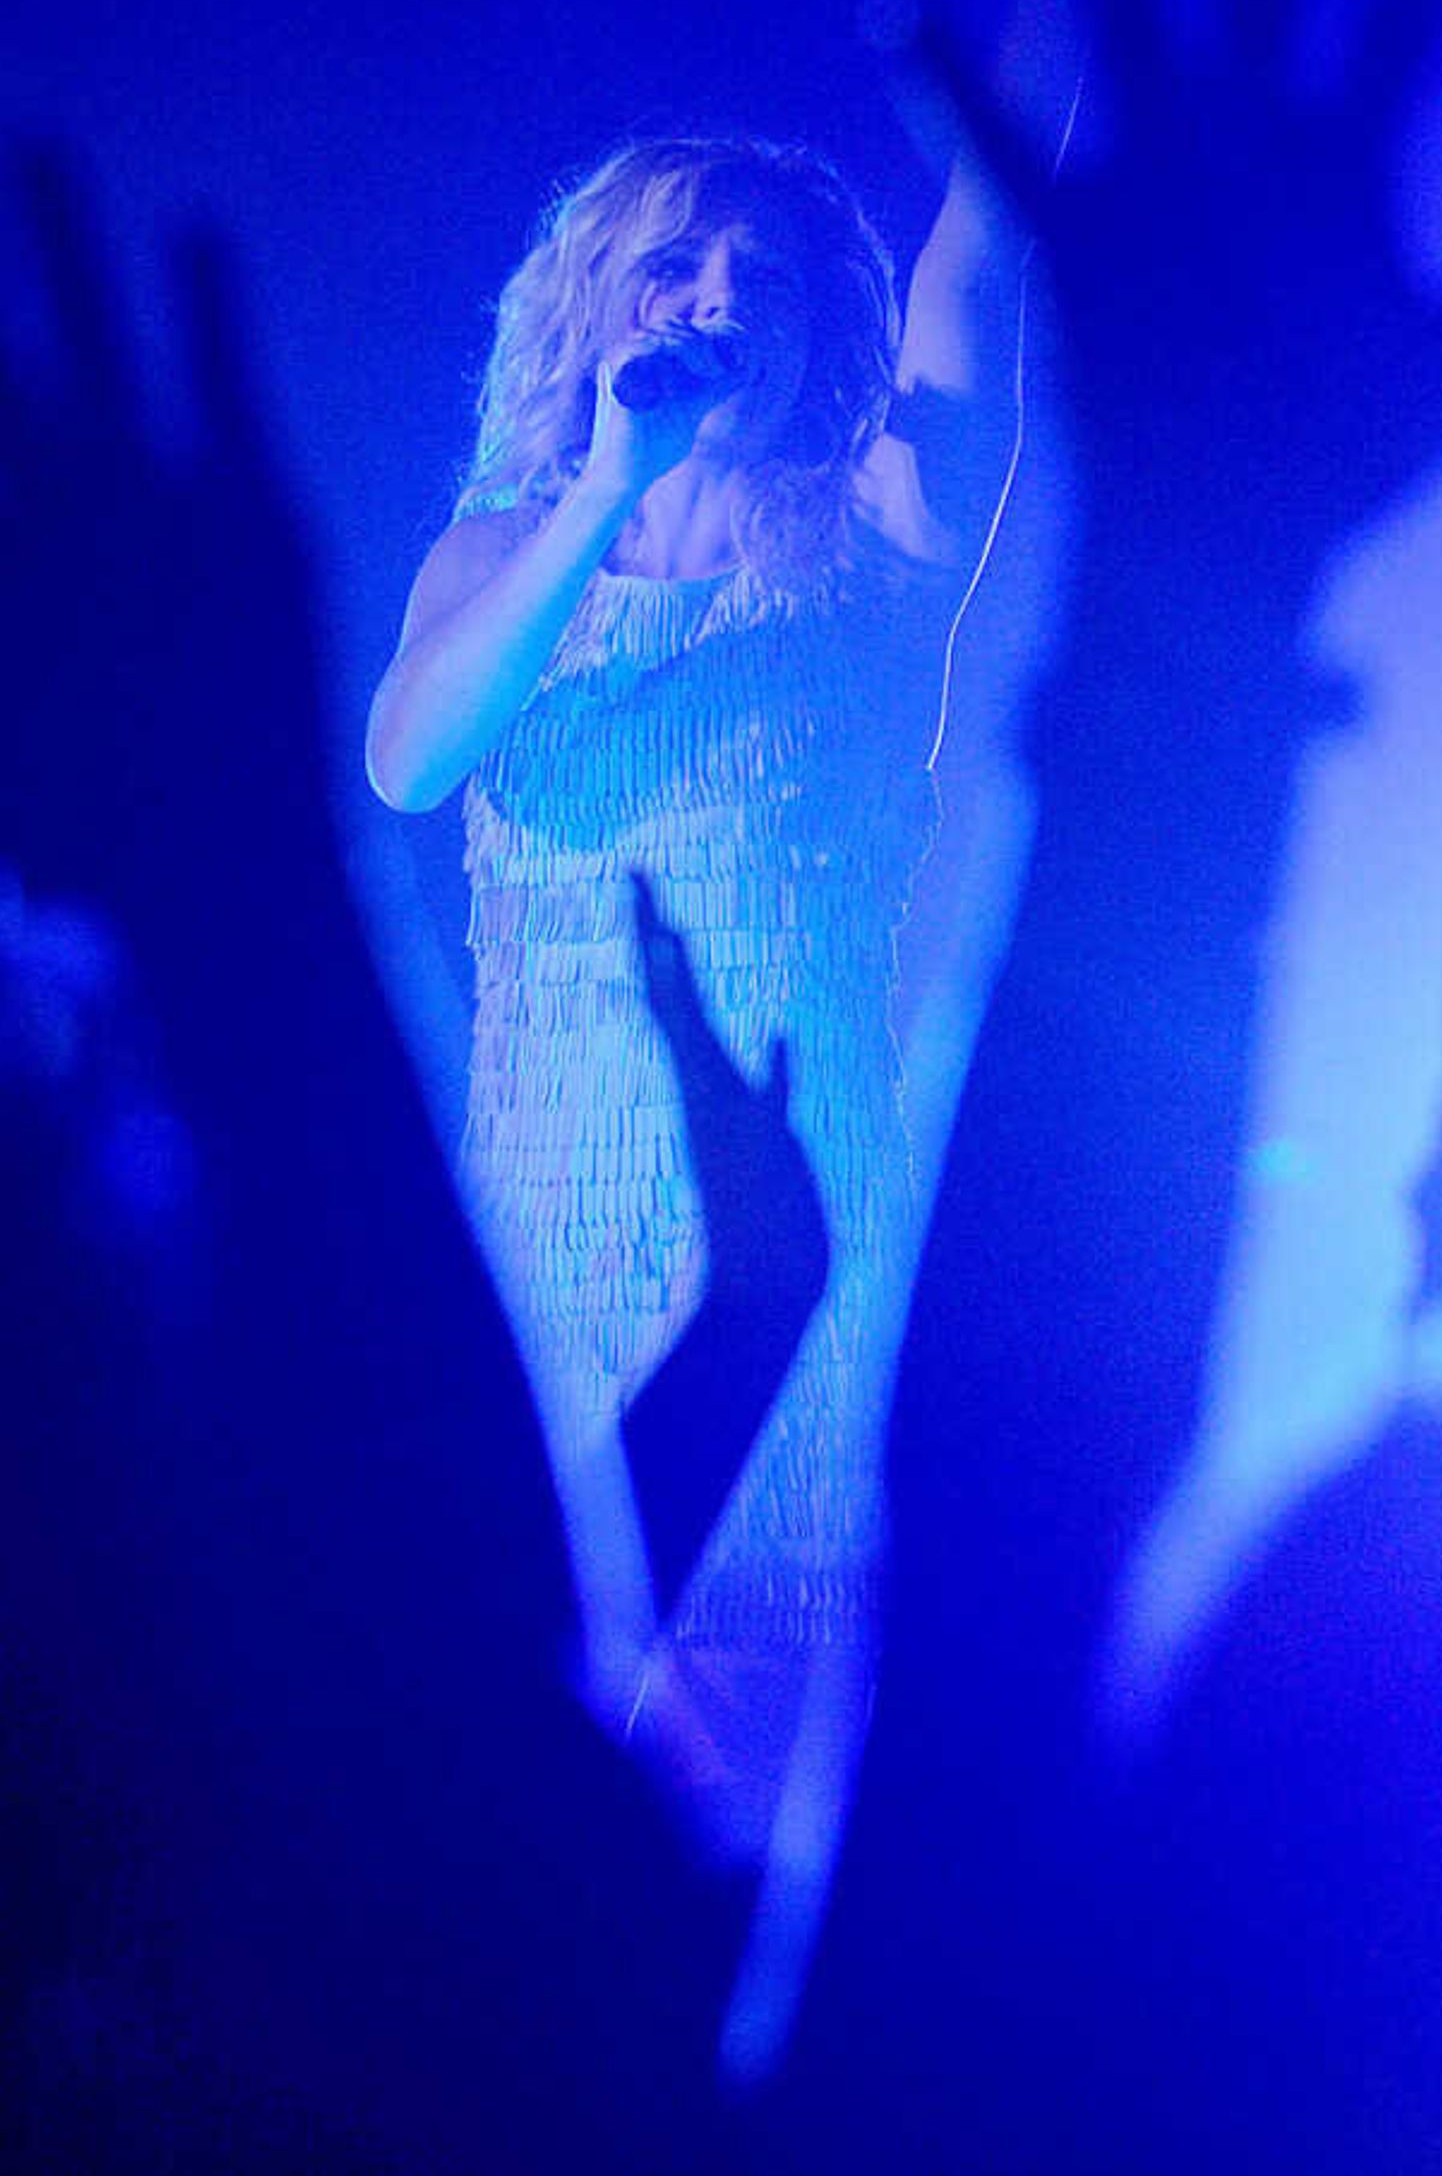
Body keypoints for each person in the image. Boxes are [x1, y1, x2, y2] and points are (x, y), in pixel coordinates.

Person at [366, 128, 1023, 1860]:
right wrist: (606, 487)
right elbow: (411, 767)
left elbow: (979, 295)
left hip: (804, 1229)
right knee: (525, 1784)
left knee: (773, 1804)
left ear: (825, 343)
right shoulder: (496, 553)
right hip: (543, 1231)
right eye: (676, 267)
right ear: (594, 307)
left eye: (772, 280)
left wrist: (1046, 6)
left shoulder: (880, 539)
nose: (721, 299)